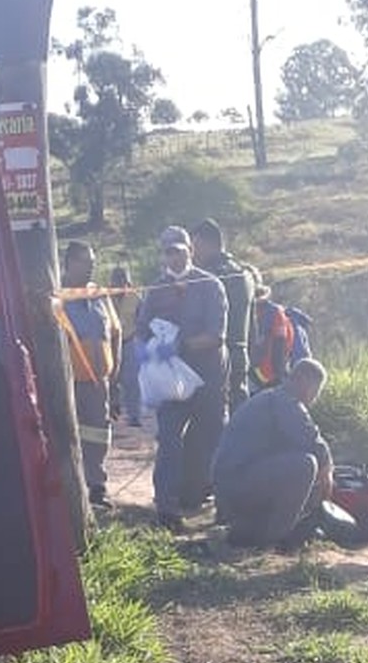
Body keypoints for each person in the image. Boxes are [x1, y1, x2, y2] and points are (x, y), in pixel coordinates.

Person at [135, 224, 227, 530]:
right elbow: (143, 328)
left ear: (190, 250)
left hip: (207, 377)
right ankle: (167, 510)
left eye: (179, 250)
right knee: (170, 441)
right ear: (162, 254)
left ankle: (209, 501)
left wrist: (182, 343)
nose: (174, 257)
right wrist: (156, 348)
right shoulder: (155, 290)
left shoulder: (211, 285)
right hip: (170, 381)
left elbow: (216, 336)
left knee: (210, 439)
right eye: (168, 251)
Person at [211, 357, 334, 549]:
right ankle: (277, 537)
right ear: (305, 384)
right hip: (237, 485)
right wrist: (327, 469)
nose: (314, 398)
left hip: (230, 486)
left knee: (300, 461)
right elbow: (311, 439)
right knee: (306, 465)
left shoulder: (269, 397)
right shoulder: (285, 401)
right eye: (316, 391)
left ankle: (253, 529)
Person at [55, 240, 122, 513]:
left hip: (99, 382)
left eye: (93, 261)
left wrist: (115, 372)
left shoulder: (100, 295)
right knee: (70, 436)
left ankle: (97, 486)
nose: (91, 266)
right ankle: (72, 489)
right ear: (69, 263)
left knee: (98, 434)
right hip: (68, 383)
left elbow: (116, 333)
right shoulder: (57, 297)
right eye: (85, 261)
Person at [191, 218, 258, 411]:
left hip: (214, 358)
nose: (192, 255)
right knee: (239, 418)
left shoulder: (209, 278)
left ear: (203, 243)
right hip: (240, 356)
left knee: (211, 424)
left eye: (194, 246)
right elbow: (252, 327)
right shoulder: (246, 276)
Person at [108, 264, 140, 424]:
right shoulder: (105, 297)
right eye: (117, 280)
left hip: (129, 342)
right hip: (110, 343)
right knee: (111, 379)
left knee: (132, 380)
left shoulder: (135, 297)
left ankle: (134, 415)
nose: (120, 284)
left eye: (123, 281)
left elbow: (142, 319)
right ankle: (111, 413)